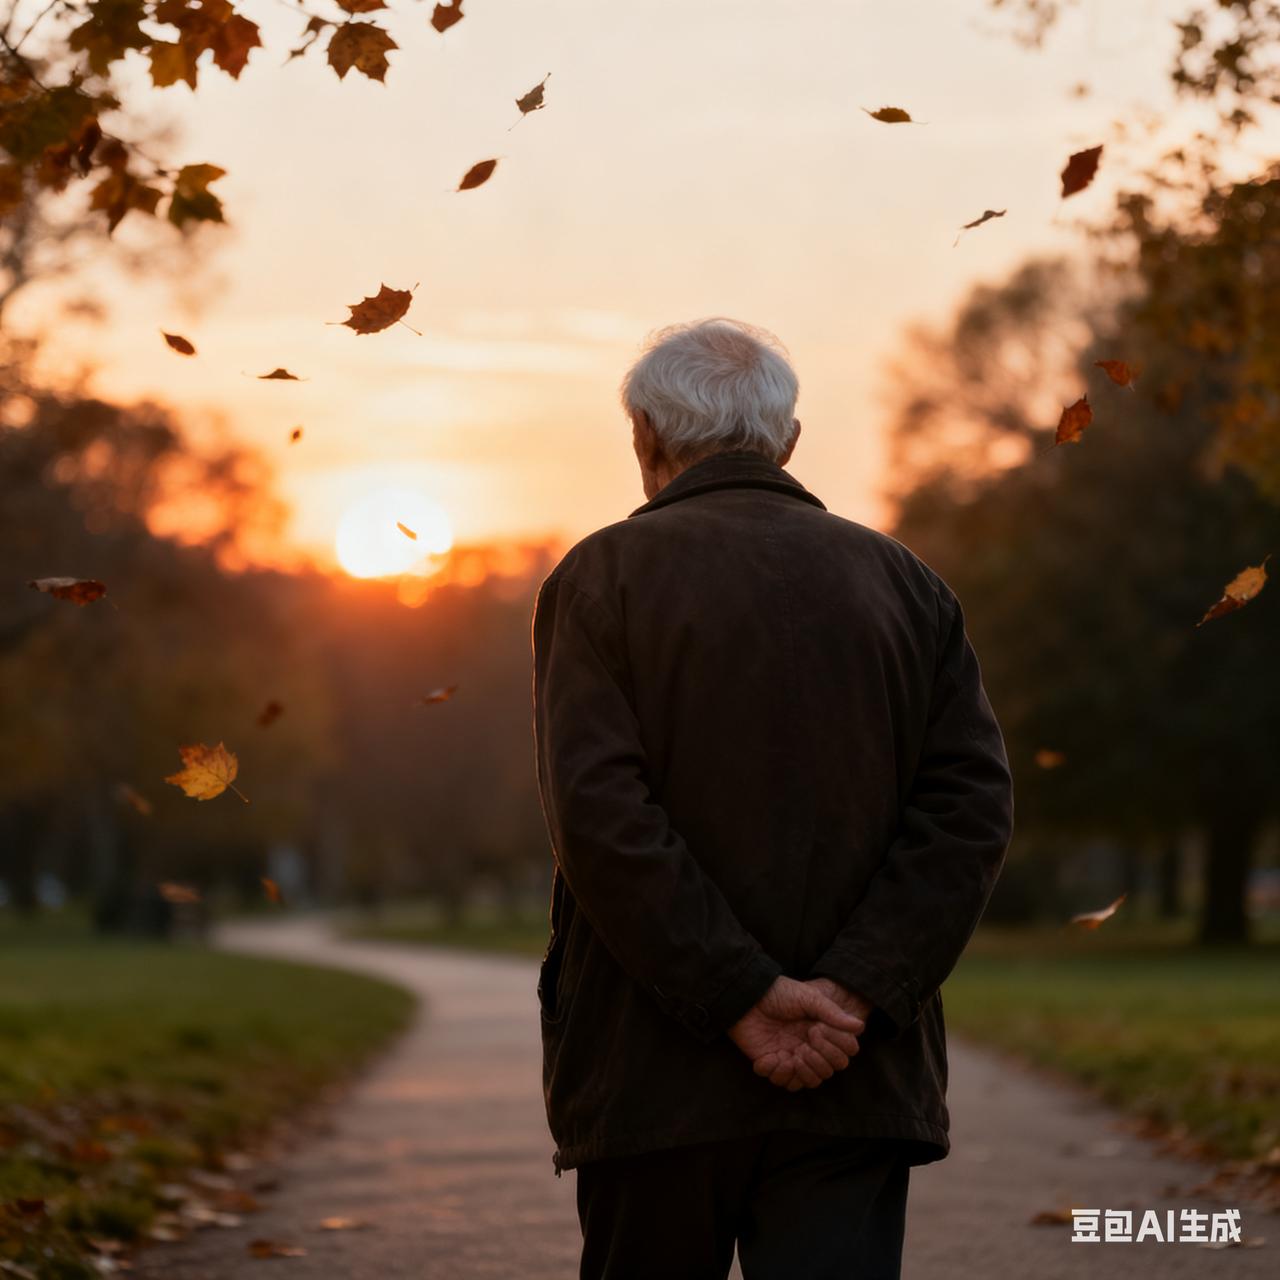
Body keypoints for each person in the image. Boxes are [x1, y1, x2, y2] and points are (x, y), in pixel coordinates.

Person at [530, 318, 1014, 1280]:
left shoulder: (600, 579)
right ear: (787, 441)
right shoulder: (907, 585)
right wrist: (851, 994)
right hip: (853, 1070)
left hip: (653, 1073)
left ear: (644, 439)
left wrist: (740, 997)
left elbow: (601, 819)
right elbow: (970, 809)